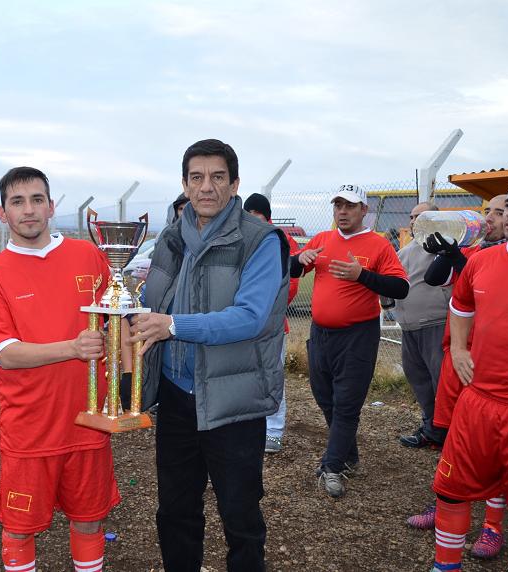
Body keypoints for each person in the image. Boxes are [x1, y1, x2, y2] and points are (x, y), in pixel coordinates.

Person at [132, 139, 289, 572]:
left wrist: (174, 325)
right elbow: (152, 303)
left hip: (232, 402)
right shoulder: (169, 239)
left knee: (240, 516)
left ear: (234, 183)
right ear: (184, 183)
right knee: (175, 511)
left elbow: (250, 318)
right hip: (176, 398)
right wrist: (127, 322)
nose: (206, 187)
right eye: (197, 177)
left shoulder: (260, 241)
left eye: (217, 177)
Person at [0, 167, 119, 572]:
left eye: (37, 200)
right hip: (30, 430)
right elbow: (4, 353)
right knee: (20, 528)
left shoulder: (88, 256)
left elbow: (115, 320)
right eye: (17, 202)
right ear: (3, 214)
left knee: (89, 520)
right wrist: (73, 347)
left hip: (88, 422)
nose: (29, 210)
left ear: (52, 207)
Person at [430, 177, 508, 572]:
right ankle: (445, 567)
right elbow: (461, 305)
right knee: (450, 492)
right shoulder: (481, 260)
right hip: (477, 402)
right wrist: (460, 348)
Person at [406, 194, 508, 558]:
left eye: (504, 210)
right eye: (492, 211)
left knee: (495, 448)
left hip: (493, 365)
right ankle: (446, 503)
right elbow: (437, 279)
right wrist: (448, 254)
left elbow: (492, 296)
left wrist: (458, 261)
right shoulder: (477, 250)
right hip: (458, 357)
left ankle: (492, 526)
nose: (497, 217)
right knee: (452, 436)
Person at [290, 184, 409, 498]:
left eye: (350, 206)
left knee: (347, 403)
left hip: (358, 335)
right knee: (324, 397)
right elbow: (289, 269)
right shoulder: (322, 239)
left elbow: (400, 288)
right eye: (338, 205)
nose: (342, 211)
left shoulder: (378, 245)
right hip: (321, 333)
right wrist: (299, 259)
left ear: (363, 211)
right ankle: (347, 454)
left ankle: (332, 466)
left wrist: (362, 275)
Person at [243, 191, 300, 454]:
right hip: (242, 325)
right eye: (250, 216)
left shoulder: (280, 240)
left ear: (268, 218)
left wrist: (263, 307)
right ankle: (250, 425)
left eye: (259, 216)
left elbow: (291, 284)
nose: (254, 221)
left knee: (272, 376)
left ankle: (274, 430)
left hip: (274, 325)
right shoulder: (240, 239)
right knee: (245, 376)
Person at [394, 202, 450, 449]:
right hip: (408, 327)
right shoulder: (405, 251)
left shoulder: (446, 247)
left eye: (421, 216)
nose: (414, 221)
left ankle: (449, 433)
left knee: (441, 381)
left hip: (436, 324)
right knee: (418, 379)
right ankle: (431, 428)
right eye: (412, 216)